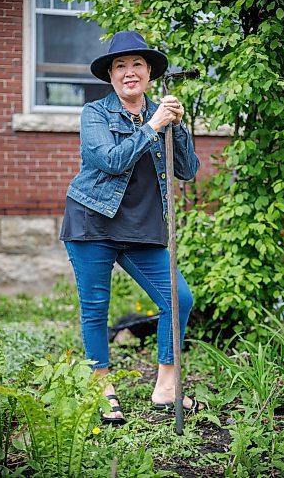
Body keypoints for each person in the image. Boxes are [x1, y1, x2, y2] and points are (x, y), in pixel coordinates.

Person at [60, 31, 202, 425]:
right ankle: (102, 387)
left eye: (136, 64)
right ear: (110, 75)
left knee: (178, 299)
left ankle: (166, 387)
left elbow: (187, 171)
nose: (129, 72)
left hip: (141, 230)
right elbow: (109, 160)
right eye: (120, 66)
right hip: (92, 222)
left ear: (149, 72)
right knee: (95, 309)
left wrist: (178, 124)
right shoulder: (95, 115)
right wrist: (152, 126)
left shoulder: (160, 113)